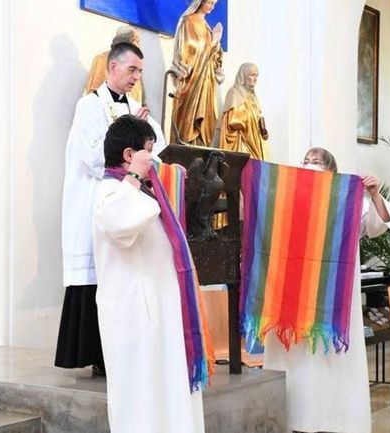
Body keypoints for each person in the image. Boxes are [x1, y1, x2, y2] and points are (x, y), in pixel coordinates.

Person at [263, 147, 390, 433]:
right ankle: (295, 420)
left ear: (331, 171)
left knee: (328, 362)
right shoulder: (289, 197)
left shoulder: (346, 199)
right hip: (294, 294)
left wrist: (374, 194)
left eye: (318, 162)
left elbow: (379, 225)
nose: (310, 165)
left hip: (333, 295)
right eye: (306, 161)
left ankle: (331, 421)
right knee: (297, 360)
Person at [56, 42, 166, 376]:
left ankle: (126, 352)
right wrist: (126, 139)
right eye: (132, 69)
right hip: (97, 200)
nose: (136, 77)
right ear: (112, 68)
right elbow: (89, 156)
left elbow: (157, 152)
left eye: (140, 72)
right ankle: (98, 356)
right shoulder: (89, 106)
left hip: (130, 205)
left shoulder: (137, 109)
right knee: (96, 278)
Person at [92, 115, 204, 433]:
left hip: (160, 311)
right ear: (130, 155)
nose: (154, 160)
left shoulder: (139, 189)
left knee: (167, 397)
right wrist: (134, 178)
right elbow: (117, 221)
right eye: (149, 151)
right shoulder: (109, 191)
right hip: (135, 315)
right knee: (142, 400)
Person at [170, 0, 224, 146]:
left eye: (214, 4)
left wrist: (217, 49)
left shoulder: (206, 25)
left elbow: (213, 57)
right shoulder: (188, 21)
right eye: (210, 3)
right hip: (192, 82)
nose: (212, 7)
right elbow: (191, 52)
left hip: (206, 83)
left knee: (208, 119)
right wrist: (214, 42)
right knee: (190, 124)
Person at [83, 26, 144, 104]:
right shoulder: (102, 59)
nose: (139, 46)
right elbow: (93, 91)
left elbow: (137, 98)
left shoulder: (137, 67)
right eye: (136, 41)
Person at [220, 63, 269, 159]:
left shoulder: (253, 97)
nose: (255, 79)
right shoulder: (234, 93)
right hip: (242, 144)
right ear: (243, 76)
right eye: (251, 75)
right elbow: (232, 120)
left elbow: (257, 118)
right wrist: (249, 116)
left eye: (256, 76)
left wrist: (263, 128)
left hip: (255, 144)